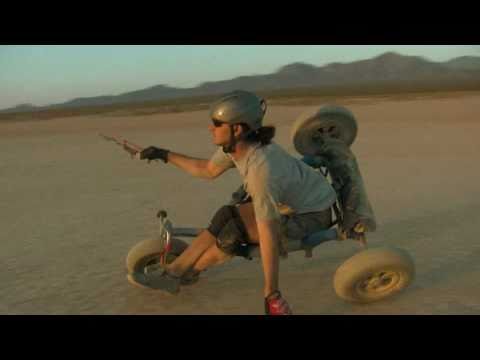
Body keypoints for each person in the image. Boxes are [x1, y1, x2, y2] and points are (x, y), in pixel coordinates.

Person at [129, 90, 338, 315]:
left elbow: (268, 236)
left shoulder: (261, 170)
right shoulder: (238, 145)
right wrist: (162, 154)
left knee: (233, 234)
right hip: (299, 199)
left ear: (237, 128)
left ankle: (185, 274)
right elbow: (207, 170)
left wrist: (271, 292)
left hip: (312, 215)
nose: (211, 128)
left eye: (217, 124)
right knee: (226, 215)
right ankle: (175, 272)